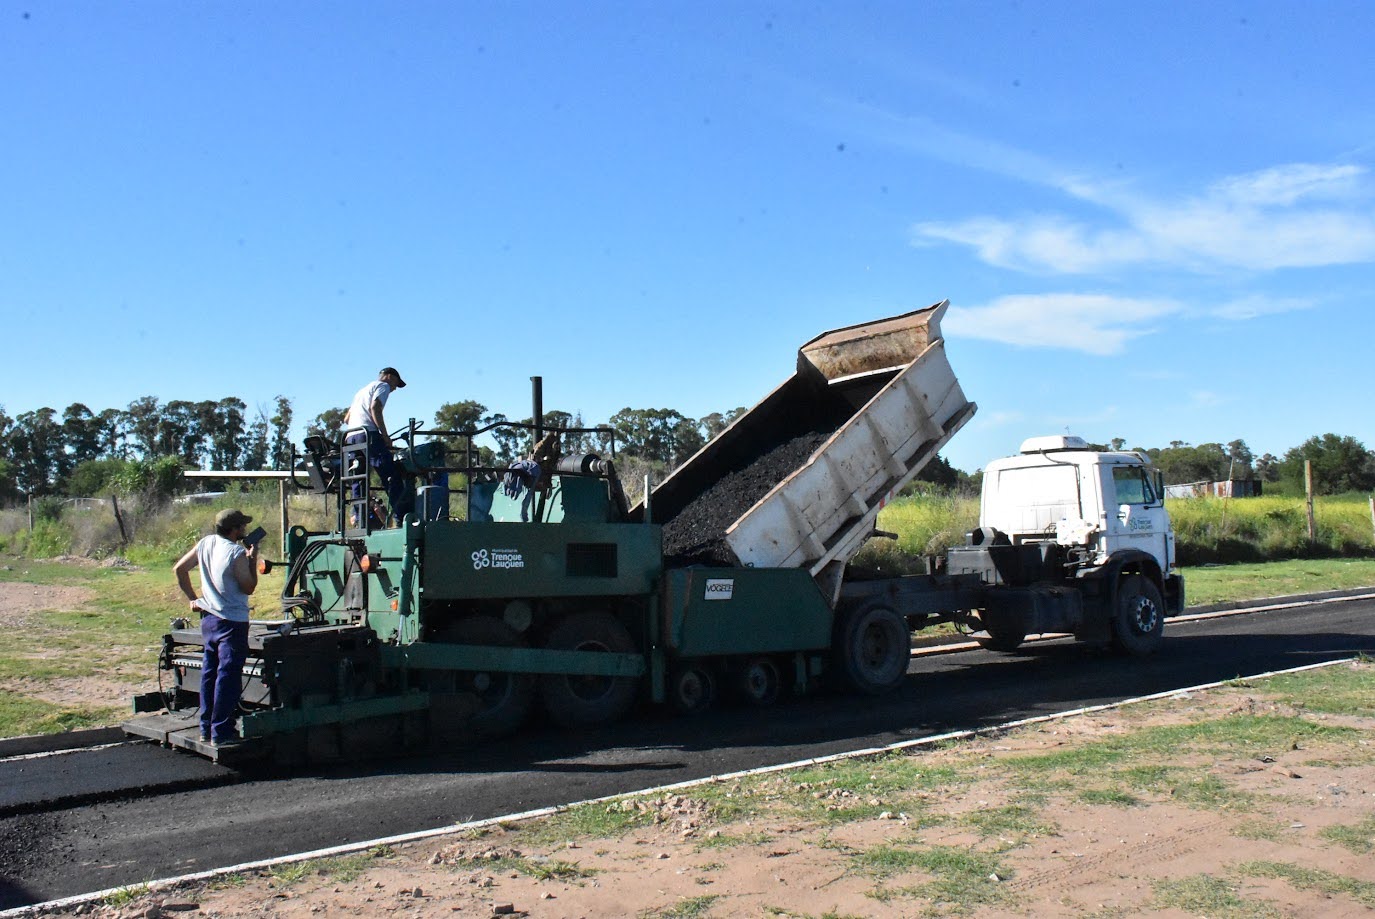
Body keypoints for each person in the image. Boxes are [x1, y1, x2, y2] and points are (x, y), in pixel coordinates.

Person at [172, 508, 260, 746]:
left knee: (210, 674)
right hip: (231, 621)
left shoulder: (206, 543)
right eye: (242, 526)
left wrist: (193, 599)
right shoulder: (235, 552)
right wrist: (252, 560)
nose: (245, 529)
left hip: (209, 619)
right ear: (235, 530)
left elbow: (179, 569)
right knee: (228, 677)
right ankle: (221, 732)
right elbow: (249, 587)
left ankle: (206, 729)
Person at [344, 367, 412, 526]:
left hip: (351, 436)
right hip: (368, 434)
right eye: (396, 383)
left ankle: (360, 520)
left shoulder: (361, 391)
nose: (394, 388)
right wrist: (385, 436)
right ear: (388, 377)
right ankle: (403, 518)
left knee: (358, 478)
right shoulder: (382, 386)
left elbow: (347, 419)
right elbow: (375, 408)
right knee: (391, 475)